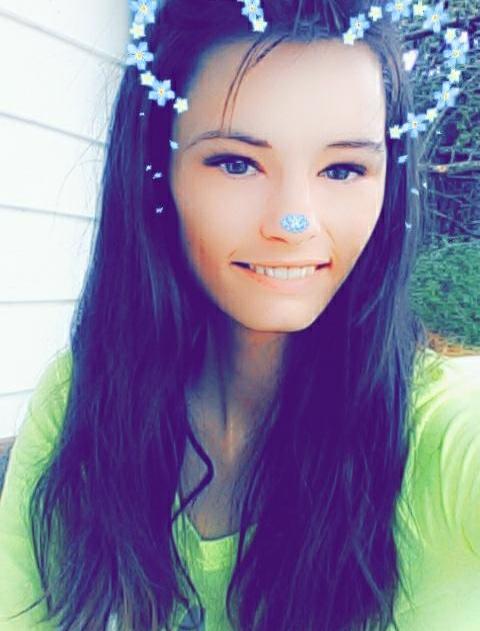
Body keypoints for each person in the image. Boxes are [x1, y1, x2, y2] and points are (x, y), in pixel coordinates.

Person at [0, 1, 479, 629]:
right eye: (236, 163)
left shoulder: (445, 429)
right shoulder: (78, 398)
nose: (293, 222)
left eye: (343, 169)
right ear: (157, 174)